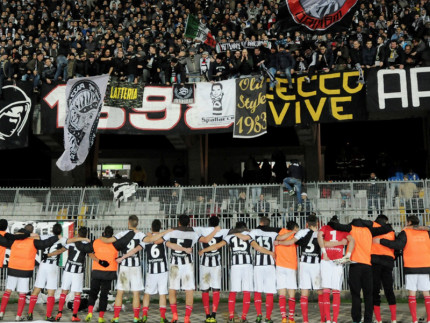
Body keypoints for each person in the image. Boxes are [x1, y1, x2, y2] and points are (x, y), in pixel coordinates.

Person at [115, 220, 190, 323]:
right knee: (162, 294)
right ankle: (162, 318)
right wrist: (185, 249)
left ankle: (144, 316)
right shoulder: (163, 238)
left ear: (151, 227)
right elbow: (172, 246)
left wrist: (123, 257)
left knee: (147, 294)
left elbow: (134, 250)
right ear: (160, 228)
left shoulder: (146, 239)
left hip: (151, 271)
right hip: (162, 271)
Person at [199, 221, 274, 323]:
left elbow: (217, 246)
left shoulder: (231, 236)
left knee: (233, 291)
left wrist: (204, 250)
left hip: (235, 266)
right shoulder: (248, 235)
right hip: (247, 265)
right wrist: (271, 253)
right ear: (245, 227)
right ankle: (243, 317)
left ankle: (231, 317)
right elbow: (257, 248)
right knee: (246, 292)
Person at [328, 218, 393, 323]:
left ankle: (356, 319)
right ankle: (368, 320)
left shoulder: (351, 228)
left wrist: (333, 222)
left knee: (355, 295)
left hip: (355, 266)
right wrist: (371, 223)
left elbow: (334, 225)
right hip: (367, 266)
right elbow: (387, 228)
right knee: (368, 296)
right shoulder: (369, 230)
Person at [111, 215, 172, 323]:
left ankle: (116, 318)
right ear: (137, 223)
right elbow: (153, 240)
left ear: (128, 223)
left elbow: (133, 249)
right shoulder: (142, 235)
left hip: (125, 266)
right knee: (137, 293)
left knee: (120, 292)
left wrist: (122, 257)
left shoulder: (122, 234)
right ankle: (136, 318)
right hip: (138, 268)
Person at [163, 214, 220, 323]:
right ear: (189, 223)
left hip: (174, 264)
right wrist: (215, 230)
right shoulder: (192, 233)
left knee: (172, 290)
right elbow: (207, 239)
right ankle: (187, 318)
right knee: (189, 291)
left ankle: (175, 316)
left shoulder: (172, 232)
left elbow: (164, 242)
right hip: (187, 264)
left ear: (179, 222)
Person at [235, 217, 294, 323]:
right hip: (270, 265)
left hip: (258, 265)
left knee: (258, 291)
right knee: (269, 292)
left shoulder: (255, 231)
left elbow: (244, 238)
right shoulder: (272, 233)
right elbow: (282, 237)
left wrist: (233, 232)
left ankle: (259, 315)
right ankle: (268, 317)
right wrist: (293, 232)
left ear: (260, 223)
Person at [26, 224, 90, 322]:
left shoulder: (45, 236)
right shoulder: (62, 239)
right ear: (61, 231)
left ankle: (30, 313)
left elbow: (34, 236)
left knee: (36, 289)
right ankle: (48, 315)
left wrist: (24, 234)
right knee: (51, 292)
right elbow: (69, 243)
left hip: (43, 264)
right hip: (53, 266)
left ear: (52, 230)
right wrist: (85, 239)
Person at [374, 215, 430, 323]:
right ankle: (429, 320)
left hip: (411, 266)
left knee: (412, 294)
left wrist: (381, 241)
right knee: (426, 294)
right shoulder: (426, 232)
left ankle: (414, 320)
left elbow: (397, 245)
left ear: (408, 222)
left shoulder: (405, 232)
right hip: (425, 266)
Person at [0, 224, 60, 321]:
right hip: (25, 271)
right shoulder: (34, 242)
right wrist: (57, 237)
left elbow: (2, 240)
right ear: (31, 233)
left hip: (12, 269)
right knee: (22, 294)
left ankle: (1, 313)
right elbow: (46, 243)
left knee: (7, 292)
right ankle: (18, 316)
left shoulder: (13, 240)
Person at [82, 226, 136, 323]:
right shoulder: (115, 244)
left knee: (93, 293)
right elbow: (128, 237)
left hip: (97, 271)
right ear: (112, 235)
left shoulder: (96, 242)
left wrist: (98, 260)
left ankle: (90, 312)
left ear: (103, 233)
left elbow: (87, 251)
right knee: (104, 295)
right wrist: (132, 230)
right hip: (109, 273)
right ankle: (101, 318)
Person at [277, 214, 324, 323]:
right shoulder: (320, 233)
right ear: (317, 223)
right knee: (320, 291)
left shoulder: (302, 232)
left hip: (304, 264)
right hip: (316, 264)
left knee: (304, 293)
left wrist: (279, 242)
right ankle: (322, 319)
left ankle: (305, 320)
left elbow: (290, 242)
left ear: (307, 224)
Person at [318, 215, 355, 323]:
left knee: (326, 290)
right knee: (335, 290)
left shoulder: (325, 228)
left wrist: (325, 251)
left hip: (326, 261)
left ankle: (328, 320)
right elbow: (352, 241)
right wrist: (347, 255)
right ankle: (334, 320)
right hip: (337, 261)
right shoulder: (342, 230)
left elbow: (322, 241)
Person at [195, 216, 229, 323]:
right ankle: (214, 315)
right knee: (216, 289)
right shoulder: (222, 231)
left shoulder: (201, 230)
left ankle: (207, 315)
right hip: (216, 265)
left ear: (208, 222)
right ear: (218, 223)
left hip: (204, 264)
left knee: (205, 290)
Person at [55, 227, 93, 322]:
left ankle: (59, 312)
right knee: (77, 294)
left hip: (68, 269)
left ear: (78, 234)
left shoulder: (71, 242)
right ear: (87, 234)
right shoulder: (87, 244)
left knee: (64, 291)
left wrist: (50, 254)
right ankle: (74, 315)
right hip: (78, 271)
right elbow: (90, 254)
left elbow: (60, 250)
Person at [370, 214, 397, 323]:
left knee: (375, 290)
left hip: (375, 260)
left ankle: (378, 319)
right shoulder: (391, 231)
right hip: (387, 262)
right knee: (389, 290)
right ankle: (393, 319)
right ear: (385, 221)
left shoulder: (371, 228)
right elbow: (395, 246)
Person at [275, 221, 299, 323]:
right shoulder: (295, 234)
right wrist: (293, 232)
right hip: (290, 266)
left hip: (280, 266)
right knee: (291, 292)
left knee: (282, 292)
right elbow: (283, 240)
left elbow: (279, 239)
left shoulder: (281, 232)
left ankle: (284, 317)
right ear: (294, 228)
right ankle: (290, 318)